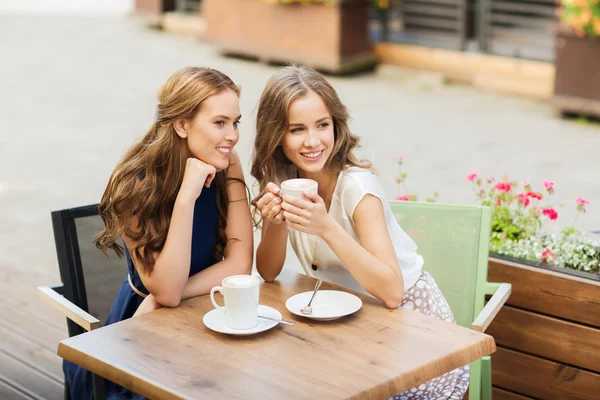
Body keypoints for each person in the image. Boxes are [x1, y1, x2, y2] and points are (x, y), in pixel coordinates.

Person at [251, 65, 469, 399]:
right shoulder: (287, 182)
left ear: (336, 125)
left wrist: (327, 228)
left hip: (413, 329)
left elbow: (393, 292)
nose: (313, 141)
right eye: (297, 129)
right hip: (352, 325)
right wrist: (277, 221)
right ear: (276, 135)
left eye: (322, 125)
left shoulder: (357, 189)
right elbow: (267, 271)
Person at [64, 67, 253, 400]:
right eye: (219, 123)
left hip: (204, 310)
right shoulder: (133, 183)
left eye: (235, 123)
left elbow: (239, 265)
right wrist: (187, 195)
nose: (233, 136)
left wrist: (173, 296)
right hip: (143, 329)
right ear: (182, 124)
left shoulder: (229, 165)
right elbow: (166, 287)